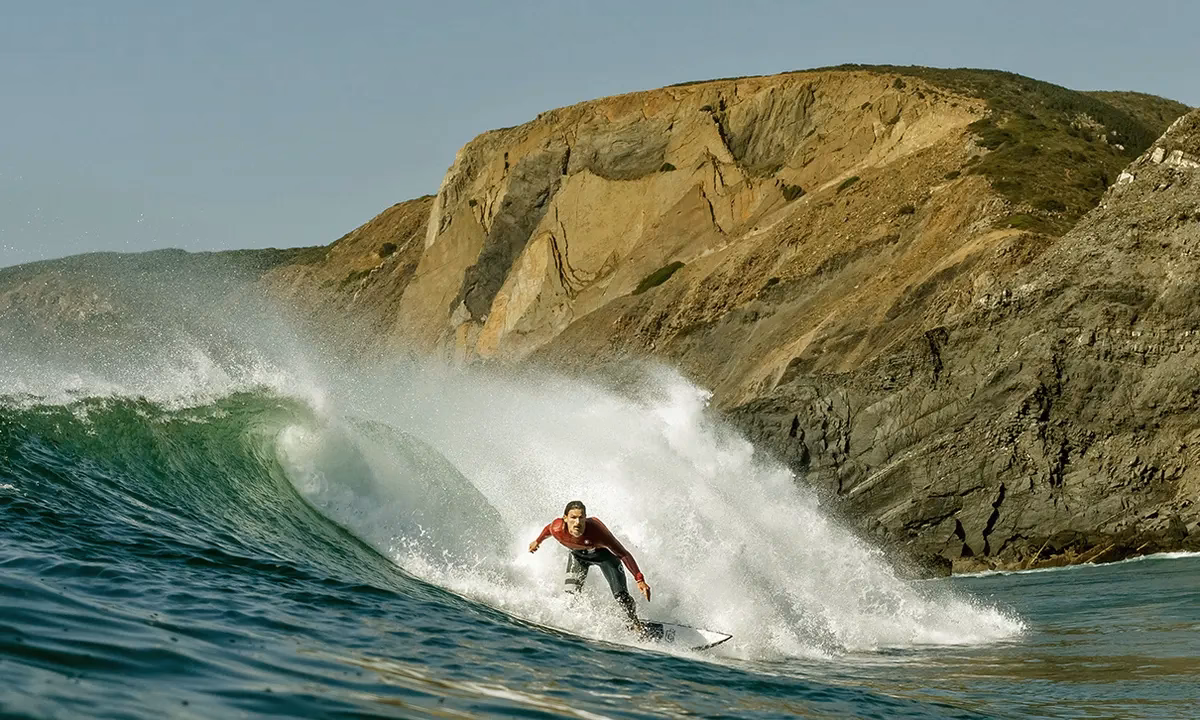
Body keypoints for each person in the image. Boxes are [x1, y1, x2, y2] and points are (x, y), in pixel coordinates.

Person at [528, 500, 651, 624]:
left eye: (581, 518)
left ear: (585, 518)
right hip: (578, 557)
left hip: (604, 557)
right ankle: (571, 622)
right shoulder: (557, 528)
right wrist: (537, 541)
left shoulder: (597, 532)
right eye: (573, 518)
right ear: (565, 518)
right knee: (571, 595)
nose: (577, 522)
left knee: (621, 596)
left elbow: (623, 553)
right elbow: (548, 530)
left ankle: (635, 623)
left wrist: (639, 579)